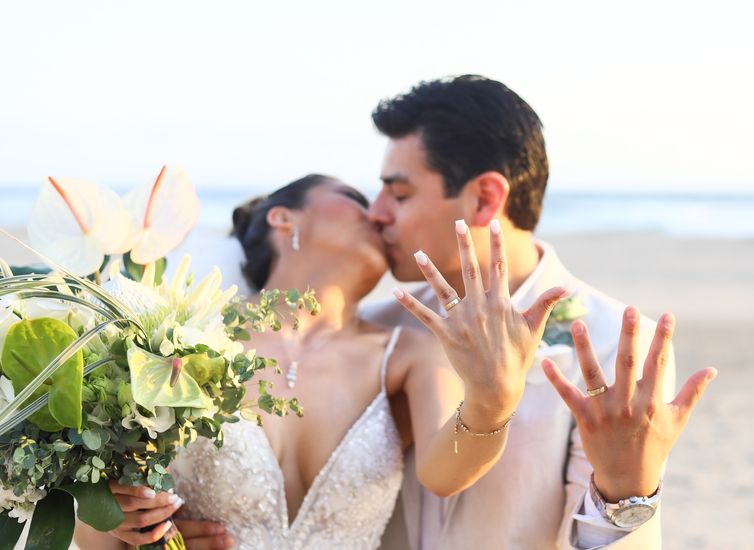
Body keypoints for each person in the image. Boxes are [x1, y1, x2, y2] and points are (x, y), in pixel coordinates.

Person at [73, 174, 567, 549]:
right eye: (354, 198)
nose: (377, 213)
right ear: (283, 217)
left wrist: (492, 398)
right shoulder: (178, 340)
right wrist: (115, 518)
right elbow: (98, 526)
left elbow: (444, 474)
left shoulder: (407, 353)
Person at [361, 75, 716, 549]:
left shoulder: (615, 341)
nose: (375, 213)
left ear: (486, 198)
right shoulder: (377, 327)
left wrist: (626, 492)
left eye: (400, 195)